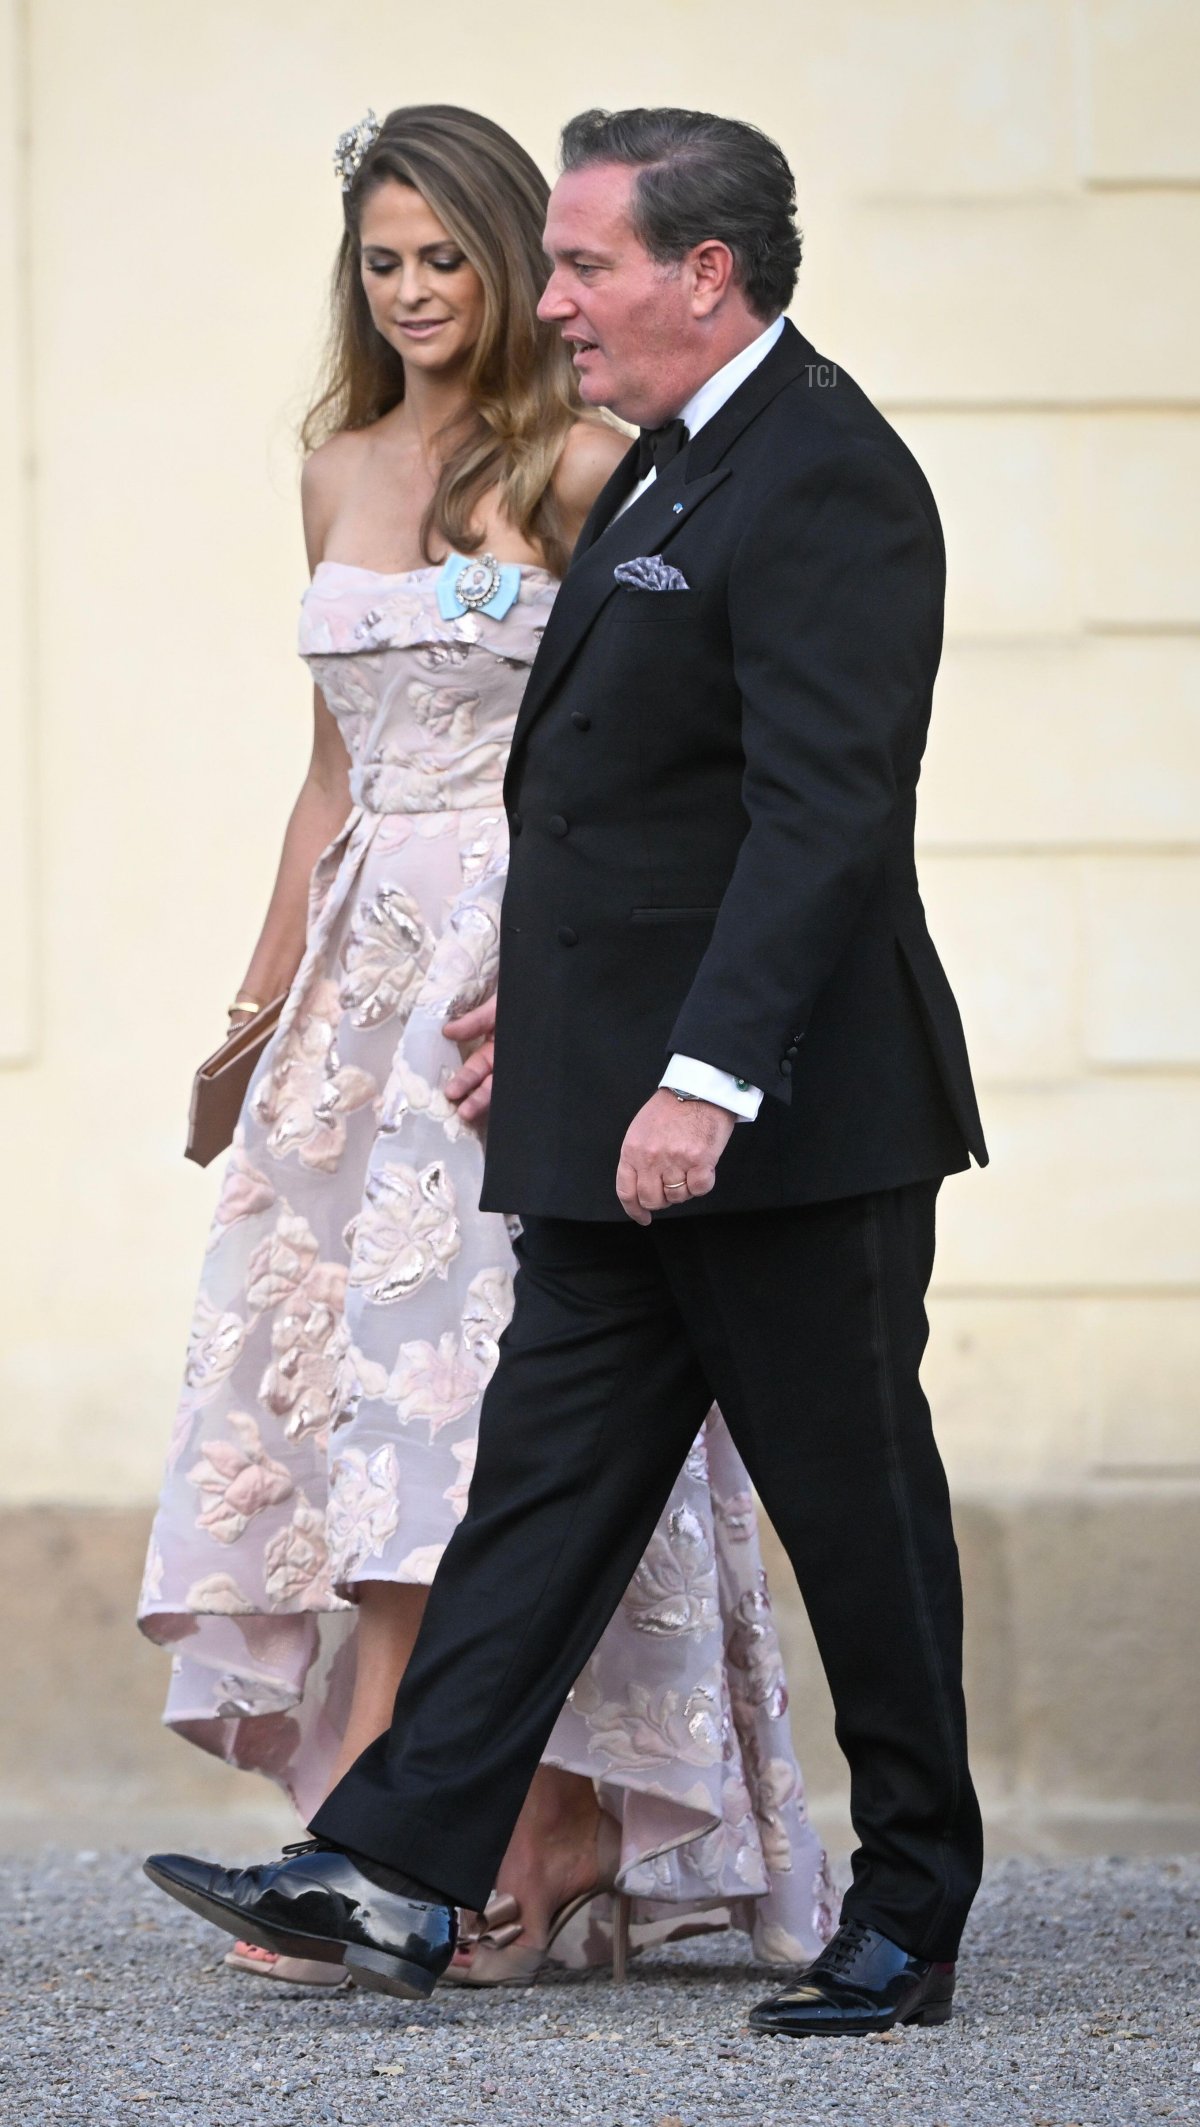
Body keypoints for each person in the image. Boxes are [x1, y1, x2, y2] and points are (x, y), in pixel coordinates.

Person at [146, 103, 988, 2039]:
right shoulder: (684, 465)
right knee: (531, 1495)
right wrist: (563, 1002)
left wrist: (702, 1071)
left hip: (788, 1120)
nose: (554, 297)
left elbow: (821, 818)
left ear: (707, 273)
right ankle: (404, 1861)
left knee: (856, 1509)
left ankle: (912, 1907)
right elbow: (619, 795)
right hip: (606, 1094)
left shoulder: (828, 474)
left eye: (585, 260)